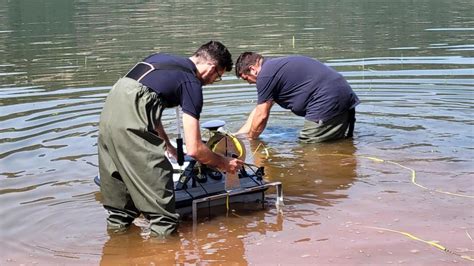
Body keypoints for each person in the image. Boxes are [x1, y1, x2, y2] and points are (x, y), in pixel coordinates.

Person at [98, 41, 243, 237]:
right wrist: (224, 163)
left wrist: (167, 145)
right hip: (130, 125)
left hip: (108, 117)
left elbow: (148, 106)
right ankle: (165, 255)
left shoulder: (162, 59)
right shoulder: (191, 83)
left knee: (120, 210)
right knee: (163, 217)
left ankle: (117, 251)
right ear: (212, 68)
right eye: (218, 77)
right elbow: (195, 149)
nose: (212, 82)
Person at [234, 52, 360, 143]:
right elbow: (258, 111)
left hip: (326, 100)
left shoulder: (265, 76)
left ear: (252, 69)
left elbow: (261, 116)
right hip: (344, 95)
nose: (250, 83)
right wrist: (239, 135)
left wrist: (251, 141)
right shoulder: (275, 67)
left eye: (246, 79)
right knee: (339, 144)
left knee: (309, 148)